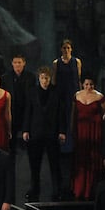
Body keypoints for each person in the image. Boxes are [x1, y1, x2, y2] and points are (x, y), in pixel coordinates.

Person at [21, 67, 65, 203]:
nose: (44, 80)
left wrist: (62, 131)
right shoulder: (32, 91)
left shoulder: (57, 92)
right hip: (36, 132)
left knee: (54, 164)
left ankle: (57, 190)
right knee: (35, 164)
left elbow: (61, 113)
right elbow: (28, 111)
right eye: (42, 78)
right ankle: (34, 188)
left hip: (52, 133)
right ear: (38, 78)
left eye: (47, 78)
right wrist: (26, 130)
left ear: (50, 78)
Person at [71, 76, 105, 201]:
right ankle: (80, 188)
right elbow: (73, 115)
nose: (88, 87)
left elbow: (104, 115)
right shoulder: (77, 96)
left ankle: (92, 188)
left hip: (94, 131)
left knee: (94, 158)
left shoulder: (100, 97)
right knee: (81, 158)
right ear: (82, 84)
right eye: (86, 84)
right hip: (81, 131)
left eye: (91, 84)